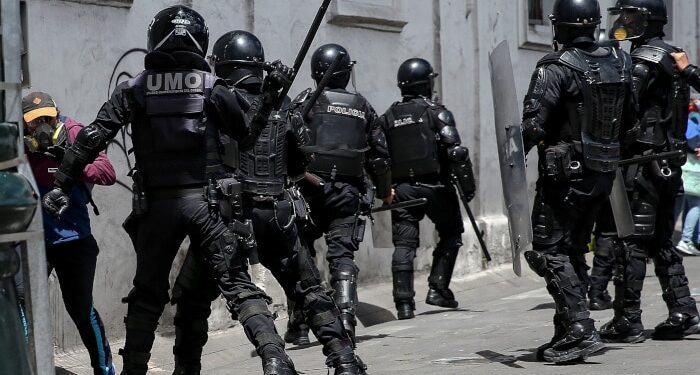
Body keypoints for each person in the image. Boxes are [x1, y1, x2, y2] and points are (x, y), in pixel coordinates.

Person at [41, 6, 298, 375]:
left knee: (147, 294)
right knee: (238, 285)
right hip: (208, 206)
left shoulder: (134, 89)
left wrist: (63, 184)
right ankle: (275, 359)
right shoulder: (213, 88)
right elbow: (247, 136)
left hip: (158, 207)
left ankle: (133, 371)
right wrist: (271, 96)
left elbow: (93, 136)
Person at [171, 30, 368, 375]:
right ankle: (344, 358)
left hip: (227, 217)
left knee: (207, 296)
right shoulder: (282, 104)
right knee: (308, 287)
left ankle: (270, 357)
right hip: (277, 212)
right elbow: (296, 165)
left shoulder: (217, 98)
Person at [519, 0, 637, 362]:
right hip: (604, 172)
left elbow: (534, 124)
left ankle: (580, 328)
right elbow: (631, 122)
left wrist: (518, 140)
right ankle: (564, 331)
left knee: (547, 249)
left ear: (562, 26)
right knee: (571, 249)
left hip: (564, 175)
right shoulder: (620, 62)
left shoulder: (555, 67)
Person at [595, 0, 700, 344]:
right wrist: (689, 72)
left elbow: (621, 111)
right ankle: (683, 311)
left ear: (647, 20)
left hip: (641, 162)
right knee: (659, 242)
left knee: (632, 242)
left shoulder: (641, 61)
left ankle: (628, 319)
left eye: (630, 16)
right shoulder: (674, 57)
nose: (623, 22)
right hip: (669, 160)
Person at [283, 43, 393, 348]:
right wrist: (385, 192)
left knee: (300, 255)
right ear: (346, 72)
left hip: (306, 191)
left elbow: (285, 140)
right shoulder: (362, 106)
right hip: (347, 192)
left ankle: (300, 324)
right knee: (342, 256)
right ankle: (345, 322)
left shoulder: (305, 101)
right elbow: (380, 158)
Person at [23, 92, 116, 375]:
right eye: (34, 121)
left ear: (57, 115)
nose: (42, 125)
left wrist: (74, 163)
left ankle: (104, 370)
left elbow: (107, 173)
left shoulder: (75, 134)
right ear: (24, 124)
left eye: (47, 118)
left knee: (81, 310)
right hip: (34, 241)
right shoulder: (18, 144)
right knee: (21, 308)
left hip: (74, 240)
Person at [374, 58, 475, 320]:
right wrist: (468, 187)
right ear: (425, 83)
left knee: (404, 244)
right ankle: (438, 288)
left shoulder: (388, 117)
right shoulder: (436, 112)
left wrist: (385, 190)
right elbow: (456, 152)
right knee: (451, 234)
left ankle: (404, 304)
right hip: (436, 187)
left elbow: (379, 158)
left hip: (403, 190)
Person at [676, 102, 700, 256]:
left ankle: (687, 239)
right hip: (694, 169)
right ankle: (686, 240)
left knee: (686, 204)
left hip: (685, 167)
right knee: (695, 205)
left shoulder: (690, 118)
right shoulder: (694, 120)